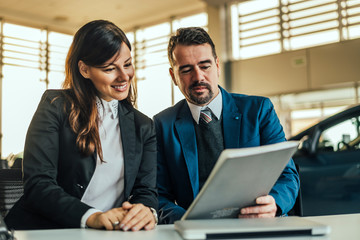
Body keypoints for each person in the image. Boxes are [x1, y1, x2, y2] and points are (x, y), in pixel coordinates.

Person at [5, 20, 158, 231]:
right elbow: (39, 184)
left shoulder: (144, 126)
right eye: (110, 68)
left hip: (108, 234)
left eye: (128, 64)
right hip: (43, 230)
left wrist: (147, 211)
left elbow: (146, 191)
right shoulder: (55, 106)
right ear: (85, 69)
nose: (124, 76)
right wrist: (91, 217)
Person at [154, 27, 300, 224]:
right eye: (187, 70)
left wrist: (274, 203)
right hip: (196, 232)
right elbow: (158, 195)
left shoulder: (258, 110)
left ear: (217, 66)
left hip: (255, 226)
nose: (198, 77)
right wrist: (189, 221)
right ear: (173, 76)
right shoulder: (162, 124)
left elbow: (287, 175)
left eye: (205, 66)